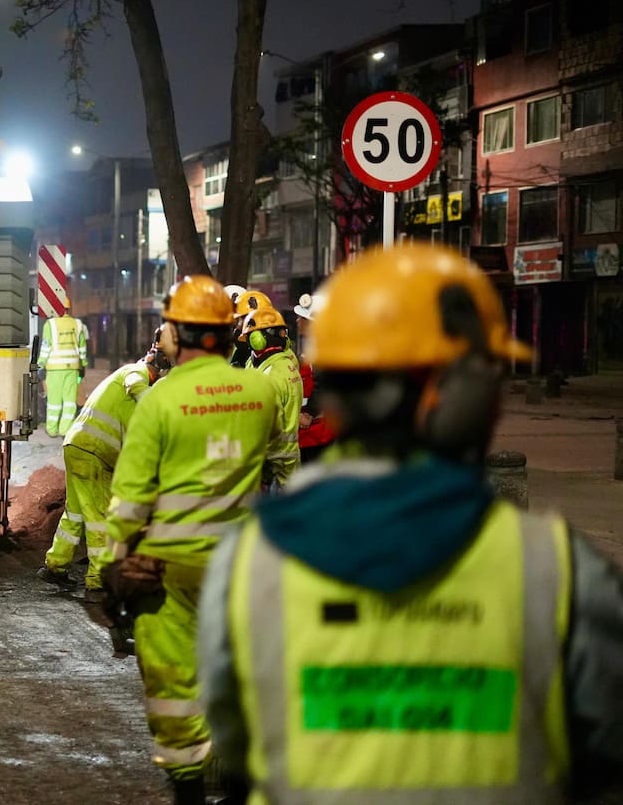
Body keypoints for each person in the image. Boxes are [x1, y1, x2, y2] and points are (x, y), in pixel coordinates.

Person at [199, 244, 623, 803]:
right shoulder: (562, 573)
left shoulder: (250, 560)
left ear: (341, 399)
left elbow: (232, 739)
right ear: (480, 399)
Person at [100, 275, 280, 805]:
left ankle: (188, 788)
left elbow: (129, 500)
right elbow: (274, 456)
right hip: (239, 565)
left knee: (174, 684)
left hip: (168, 568)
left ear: (175, 335)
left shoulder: (159, 400)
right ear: (230, 336)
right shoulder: (260, 392)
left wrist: (113, 569)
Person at [37, 330, 172, 601]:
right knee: (100, 517)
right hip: (92, 453)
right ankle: (97, 580)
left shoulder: (136, 386)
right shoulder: (136, 373)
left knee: (75, 512)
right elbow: (137, 388)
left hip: (79, 447)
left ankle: (56, 564)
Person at [235, 302, 302, 487]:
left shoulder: (271, 376)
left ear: (258, 339)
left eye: (249, 338)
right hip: (286, 462)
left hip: (274, 467)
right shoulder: (285, 364)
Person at [293, 291, 337, 463]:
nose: (298, 321)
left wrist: (309, 414)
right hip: (312, 432)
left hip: (317, 432)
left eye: (302, 318)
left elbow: (323, 384)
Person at [38, 295, 89, 436]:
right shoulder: (78, 324)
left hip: (54, 369)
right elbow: (82, 348)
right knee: (70, 402)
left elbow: (46, 347)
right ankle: (65, 430)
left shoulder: (50, 324)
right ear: (68, 308)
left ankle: (52, 429)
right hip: (72, 369)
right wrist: (83, 365)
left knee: (54, 402)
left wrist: (40, 365)